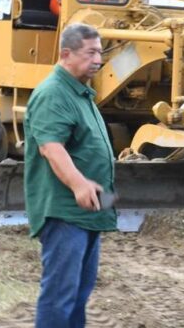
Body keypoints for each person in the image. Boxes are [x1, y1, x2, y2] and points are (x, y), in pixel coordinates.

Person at [24, 22, 116, 328]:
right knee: (60, 295)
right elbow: (51, 147)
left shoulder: (79, 93)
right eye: (91, 53)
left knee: (77, 294)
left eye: (100, 52)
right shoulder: (53, 93)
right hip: (64, 212)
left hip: (85, 212)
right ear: (67, 54)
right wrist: (78, 184)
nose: (98, 60)